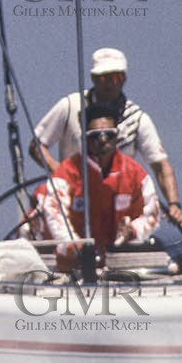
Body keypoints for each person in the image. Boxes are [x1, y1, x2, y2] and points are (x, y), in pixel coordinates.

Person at [30, 47, 182, 230]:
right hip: (72, 203)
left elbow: (160, 165)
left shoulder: (137, 119)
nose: (109, 84)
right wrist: (61, 174)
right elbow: (37, 145)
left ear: (124, 79)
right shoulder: (70, 106)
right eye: (103, 78)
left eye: (116, 78)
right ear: (93, 79)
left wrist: (174, 204)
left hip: (117, 208)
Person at [38, 106, 160, 256]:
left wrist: (133, 230)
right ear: (85, 138)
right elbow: (54, 214)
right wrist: (76, 247)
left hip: (118, 266)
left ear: (117, 137)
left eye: (109, 135)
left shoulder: (135, 174)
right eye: (95, 136)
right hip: (74, 266)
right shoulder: (66, 174)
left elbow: (151, 214)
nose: (102, 140)